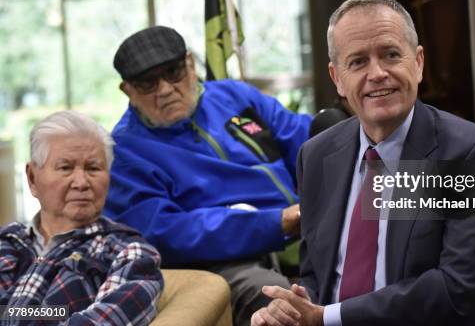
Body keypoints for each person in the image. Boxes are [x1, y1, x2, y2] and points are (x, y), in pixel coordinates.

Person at [252, 0, 475, 325]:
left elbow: (457, 290)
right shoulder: (317, 156)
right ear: (337, 78)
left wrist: (327, 317)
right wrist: (293, 309)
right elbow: (318, 277)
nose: (377, 73)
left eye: (391, 55)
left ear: (418, 63)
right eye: (358, 62)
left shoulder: (471, 155)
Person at [104, 26, 311, 326]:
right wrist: (275, 222)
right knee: (277, 302)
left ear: (190, 64)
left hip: (302, 223)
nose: (164, 89)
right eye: (148, 83)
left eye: (173, 72)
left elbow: (302, 138)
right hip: (223, 258)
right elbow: (166, 232)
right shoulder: (125, 151)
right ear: (128, 91)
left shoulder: (234, 96)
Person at [0, 110, 162, 325]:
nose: (82, 182)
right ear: (32, 178)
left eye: (93, 168)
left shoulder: (128, 253)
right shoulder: (8, 242)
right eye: (65, 168)